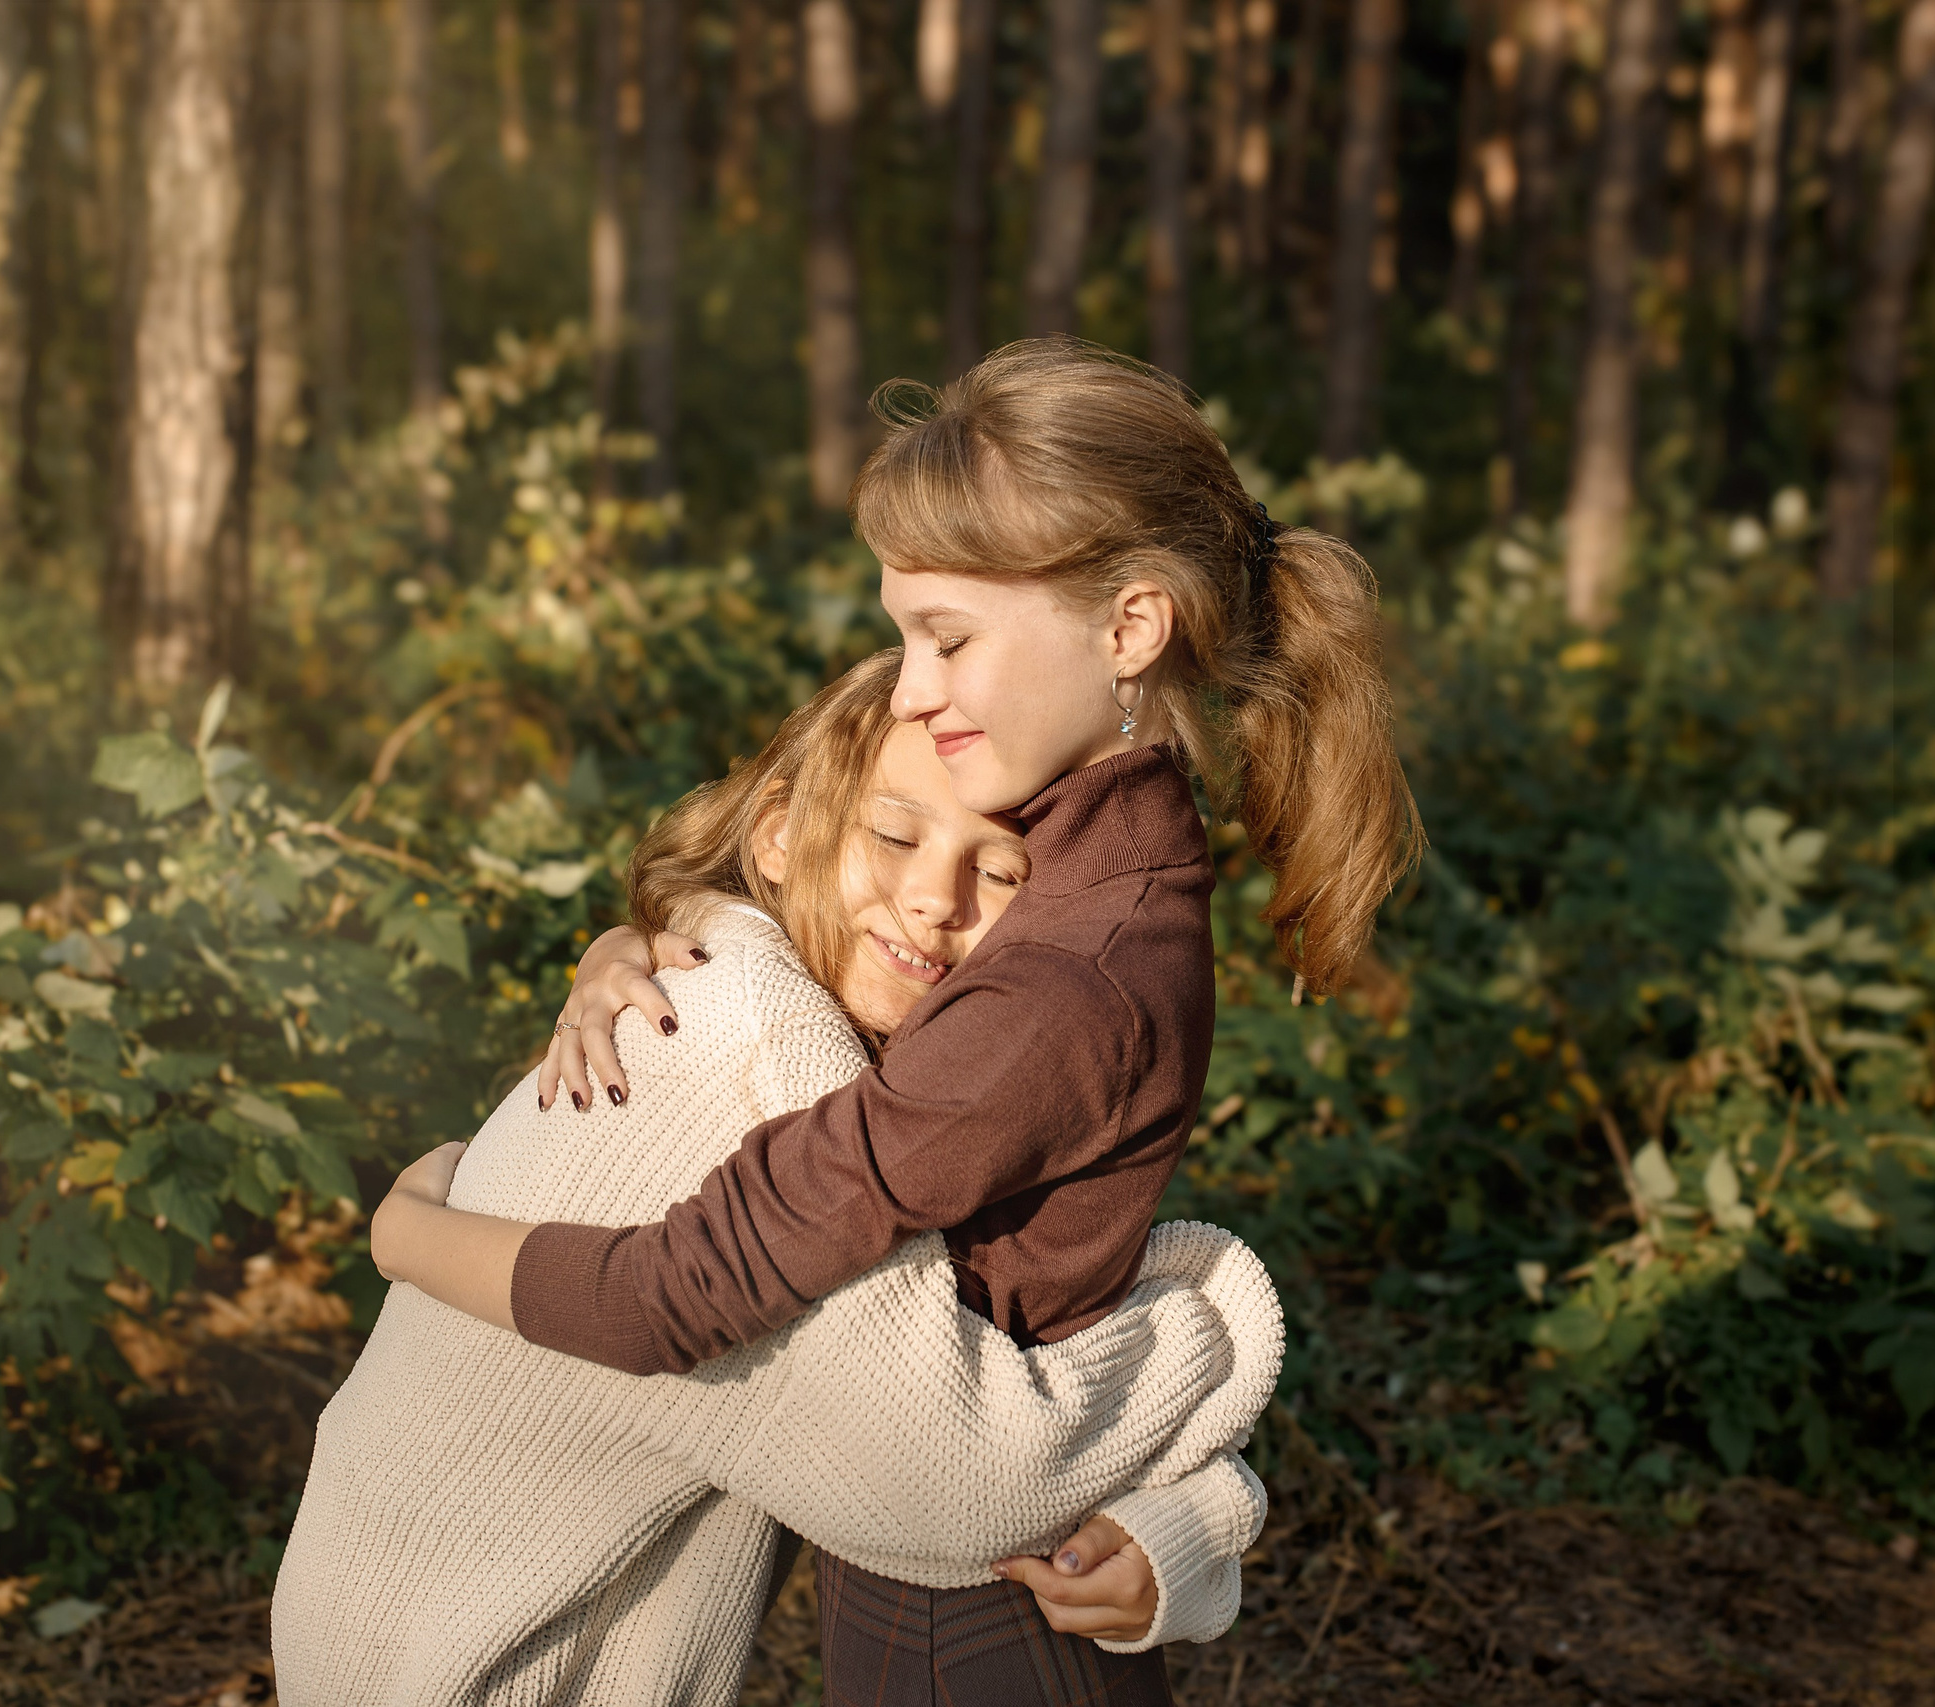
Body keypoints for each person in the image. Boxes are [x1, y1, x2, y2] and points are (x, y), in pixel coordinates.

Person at [438, 339, 1424, 1703]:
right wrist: (632, 942)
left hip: (976, 1629)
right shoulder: (1059, 862)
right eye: (905, 633)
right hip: (952, 1584)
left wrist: (411, 1229)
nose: (909, 684)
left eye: (946, 636)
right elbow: (830, 920)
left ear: (1131, 630)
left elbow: (685, 1286)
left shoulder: (1067, 969)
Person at [274, 652, 1281, 1707]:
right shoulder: (753, 1055)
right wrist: (1211, 1315)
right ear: (779, 831)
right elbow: (971, 1487)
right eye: (894, 834)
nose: (935, 898)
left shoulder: (786, 1015)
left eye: (1001, 873)